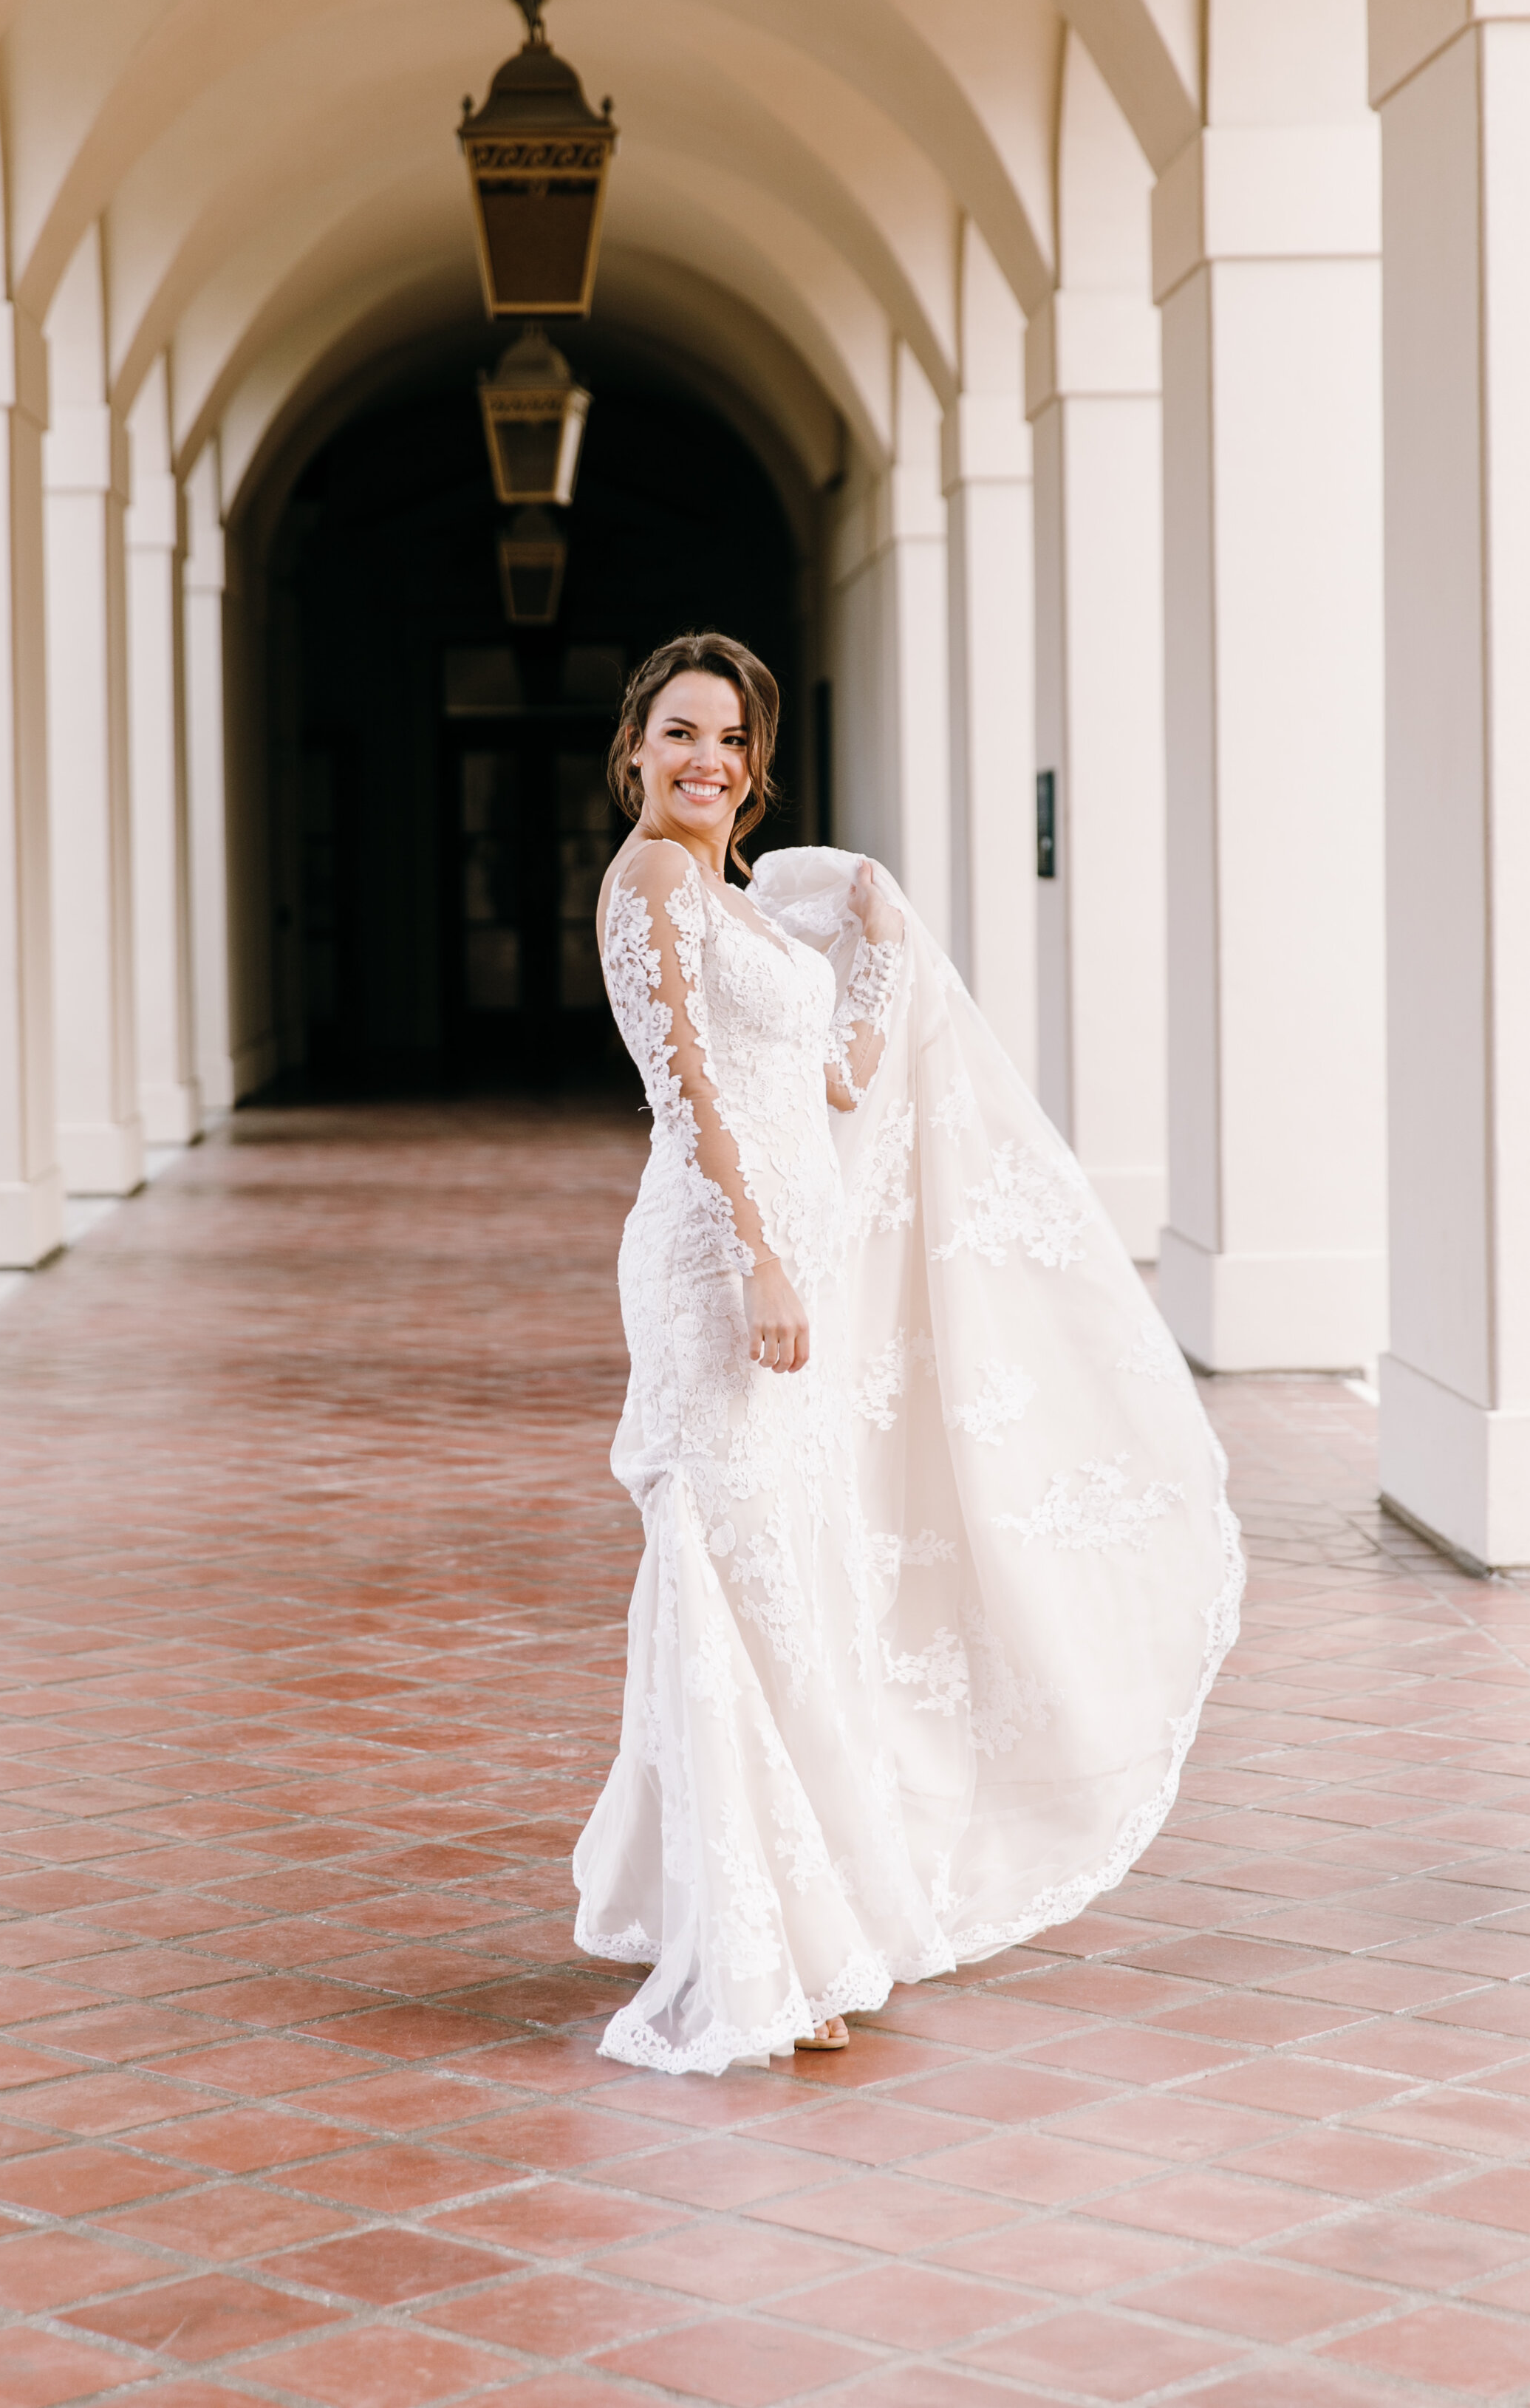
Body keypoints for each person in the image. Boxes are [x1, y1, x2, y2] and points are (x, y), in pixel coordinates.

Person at [573, 630, 1242, 2076]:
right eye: (681, 734)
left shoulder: (741, 900)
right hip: (715, 1264)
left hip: (793, 1251)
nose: (707, 763)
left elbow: (834, 1080)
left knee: (792, 1579)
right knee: (738, 1576)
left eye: (732, 742)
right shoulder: (645, 887)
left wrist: (876, 938)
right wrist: (755, 1256)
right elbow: (687, 1092)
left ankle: (796, 1916)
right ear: (633, 747)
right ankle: (761, 1949)